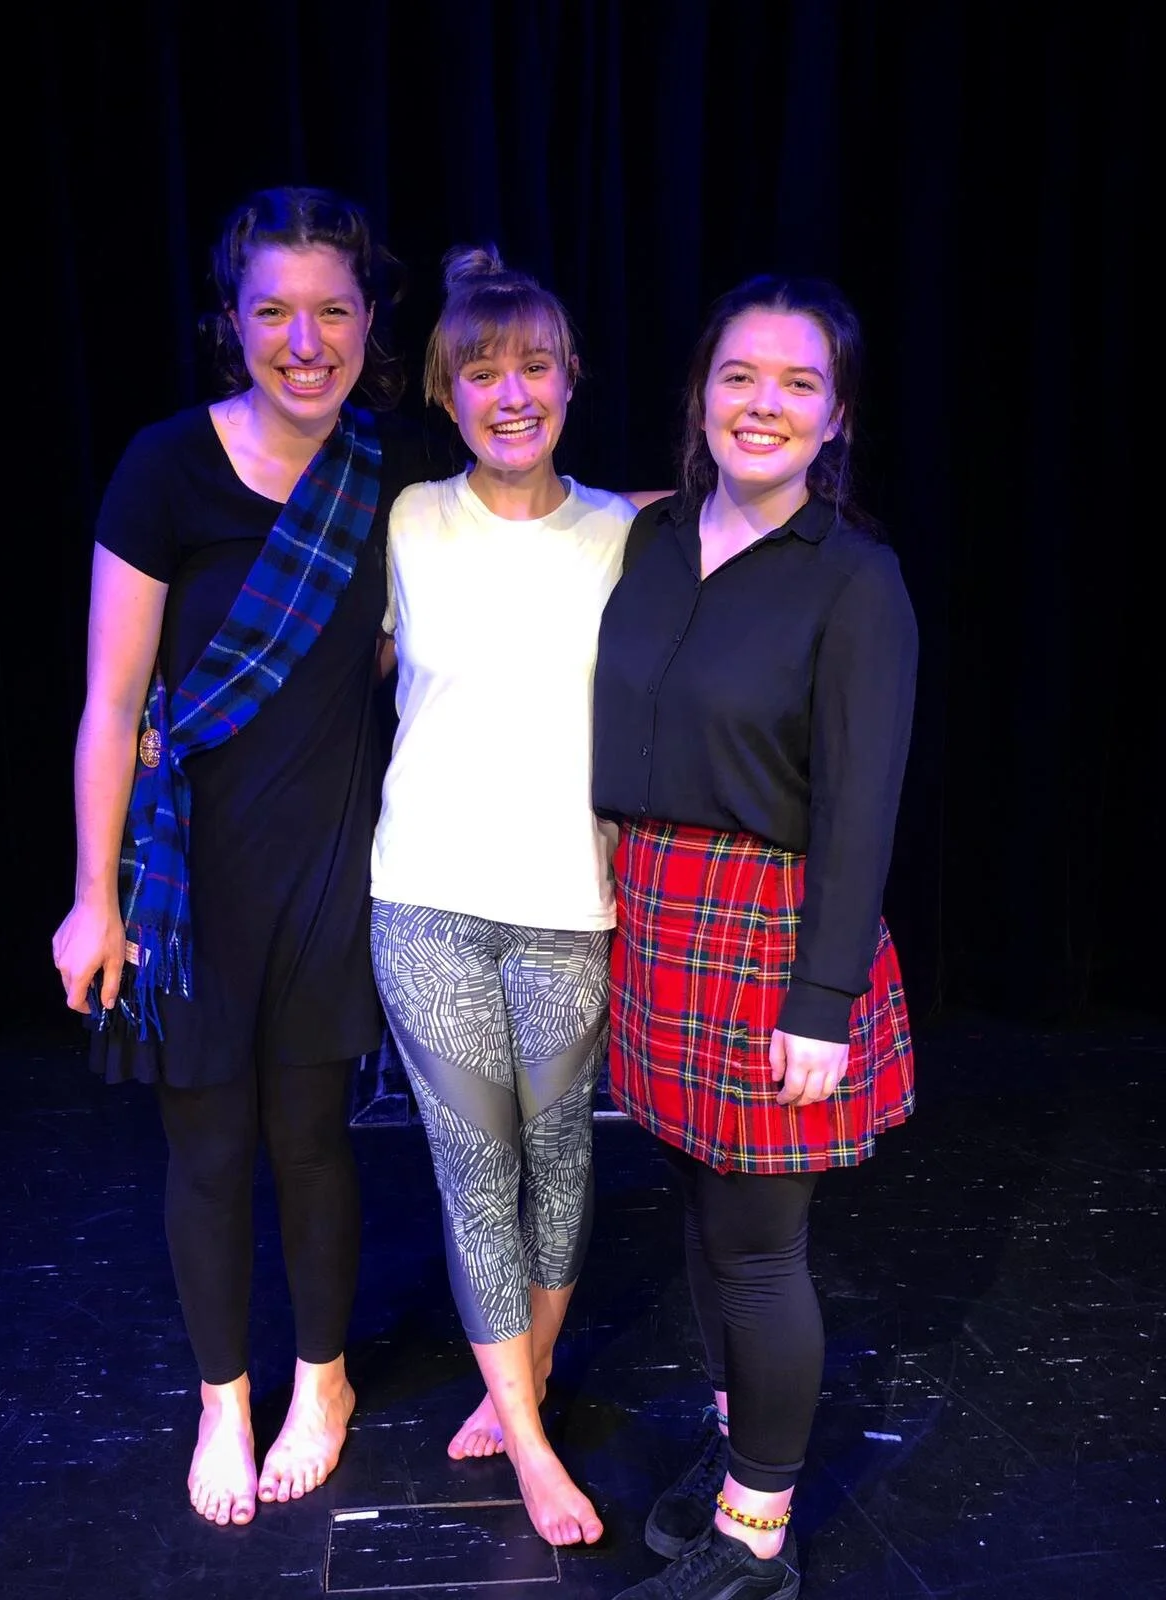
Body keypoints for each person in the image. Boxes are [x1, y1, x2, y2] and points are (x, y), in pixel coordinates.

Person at [50, 185, 435, 1528]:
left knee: (314, 1142)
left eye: (332, 310)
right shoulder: (164, 467)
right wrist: (91, 900)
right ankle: (224, 1400)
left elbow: (543, 519)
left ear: (371, 322)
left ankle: (322, 1385)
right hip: (190, 883)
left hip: (330, 865)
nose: (304, 341)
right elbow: (112, 703)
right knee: (207, 1151)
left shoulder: (393, 467)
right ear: (233, 319)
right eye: (274, 311)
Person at [592, 274, 918, 1600]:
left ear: (835, 417)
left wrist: (821, 1001)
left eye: (797, 382)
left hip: (770, 930)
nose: (763, 404)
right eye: (739, 376)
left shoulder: (855, 581)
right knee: (701, 1214)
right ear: (701, 396)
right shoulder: (653, 539)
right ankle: (740, 1461)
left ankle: (758, 1538)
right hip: (659, 916)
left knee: (761, 1246)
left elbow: (862, 805)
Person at [368, 245, 648, 1547]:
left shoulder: (624, 534)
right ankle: (532, 1447)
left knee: (561, 1157)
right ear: (446, 392)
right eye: (482, 372)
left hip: (567, 897)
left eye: (535, 366)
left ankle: (515, 1383)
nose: (512, 393)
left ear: (572, 379)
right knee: (476, 1166)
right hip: (426, 892)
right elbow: (334, 670)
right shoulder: (406, 522)